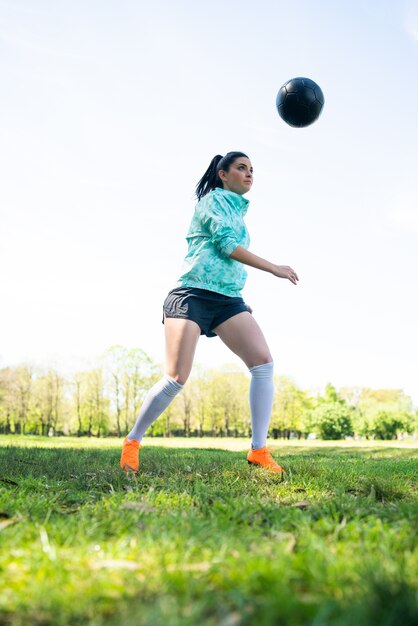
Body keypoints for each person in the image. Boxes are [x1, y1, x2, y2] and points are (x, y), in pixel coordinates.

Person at [120, 151, 299, 475]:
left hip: (228, 300)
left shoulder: (238, 212)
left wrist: (238, 299)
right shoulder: (212, 202)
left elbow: (228, 262)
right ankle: (133, 442)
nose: (249, 174)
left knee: (263, 363)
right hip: (191, 295)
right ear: (223, 174)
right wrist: (274, 267)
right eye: (241, 168)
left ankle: (259, 450)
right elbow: (226, 246)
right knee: (176, 377)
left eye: (252, 170)